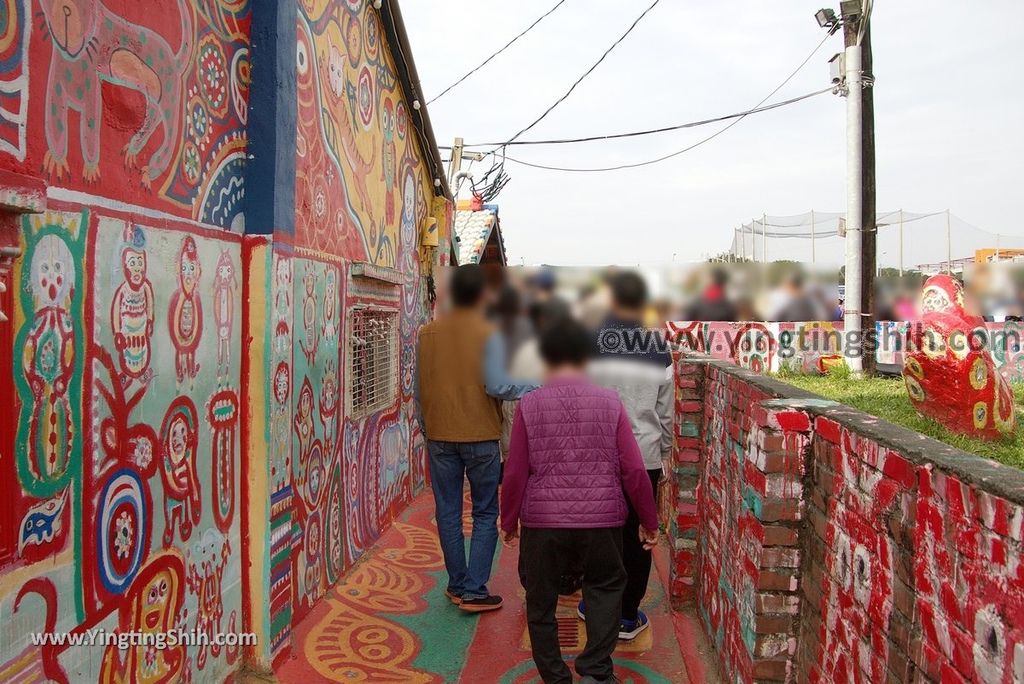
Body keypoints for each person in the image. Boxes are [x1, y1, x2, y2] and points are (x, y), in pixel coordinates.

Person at [501, 319, 658, 684]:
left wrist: (509, 522)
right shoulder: (610, 402)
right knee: (605, 588)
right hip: (602, 522)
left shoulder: (530, 404)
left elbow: (516, 472)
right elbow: (634, 470)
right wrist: (648, 521)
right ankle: (596, 672)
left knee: (540, 601)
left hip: (543, 524)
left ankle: (555, 677)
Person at [415, 264, 538, 613]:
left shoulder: (427, 333)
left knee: (448, 511)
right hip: (480, 437)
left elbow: (417, 390)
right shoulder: (490, 332)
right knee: (485, 512)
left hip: (439, 436)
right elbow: (498, 385)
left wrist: (428, 430)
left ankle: (456, 584)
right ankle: (474, 591)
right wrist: (536, 385)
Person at [586, 271, 672, 641]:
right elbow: (666, 411)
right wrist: (664, 453)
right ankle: (626, 615)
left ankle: (595, 605)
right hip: (645, 455)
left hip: (599, 455)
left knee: (599, 532)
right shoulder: (657, 346)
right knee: (640, 535)